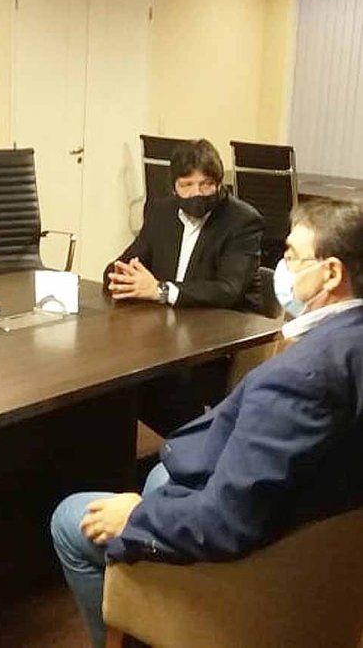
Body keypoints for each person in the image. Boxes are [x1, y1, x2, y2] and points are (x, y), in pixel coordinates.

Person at [51, 197, 363, 647]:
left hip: (258, 569)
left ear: (331, 273)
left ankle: (137, 629)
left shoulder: (304, 376)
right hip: (321, 538)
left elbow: (225, 521)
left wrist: (137, 515)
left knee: (69, 517)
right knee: (160, 473)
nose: (280, 268)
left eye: (292, 255)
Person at [106, 139, 265, 435]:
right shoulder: (160, 211)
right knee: (115, 371)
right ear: (174, 188)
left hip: (220, 337)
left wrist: (161, 290)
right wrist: (121, 278)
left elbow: (229, 289)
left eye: (206, 185)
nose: (196, 193)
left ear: (219, 184)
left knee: (168, 384)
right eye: (187, 185)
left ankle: (179, 448)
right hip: (167, 329)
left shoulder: (242, 220)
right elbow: (124, 262)